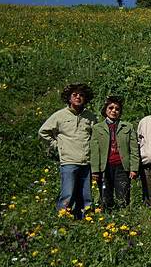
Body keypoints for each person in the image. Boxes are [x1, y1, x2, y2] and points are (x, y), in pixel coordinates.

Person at [39, 83, 97, 217]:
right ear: (69, 98)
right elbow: (43, 132)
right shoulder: (60, 116)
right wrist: (57, 145)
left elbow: (94, 138)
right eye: (75, 95)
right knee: (68, 194)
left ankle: (85, 221)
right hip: (68, 161)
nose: (78, 97)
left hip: (86, 162)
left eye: (81, 95)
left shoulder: (90, 117)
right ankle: (62, 220)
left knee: (86, 196)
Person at [90, 96, 139, 209]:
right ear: (105, 110)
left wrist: (134, 168)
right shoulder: (97, 128)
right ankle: (107, 217)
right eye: (110, 108)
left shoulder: (127, 127)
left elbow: (134, 149)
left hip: (122, 167)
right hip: (105, 167)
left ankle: (123, 216)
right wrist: (95, 171)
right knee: (105, 197)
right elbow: (94, 151)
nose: (114, 111)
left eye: (117, 109)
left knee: (123, 196)